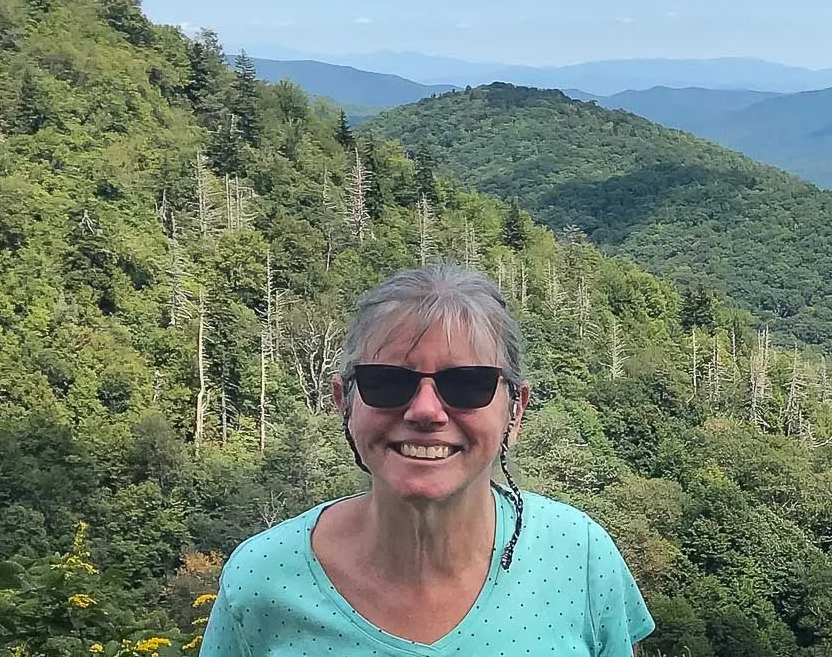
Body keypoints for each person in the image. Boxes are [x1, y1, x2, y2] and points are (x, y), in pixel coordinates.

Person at [200, 263, 654, 655]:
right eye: (387, 381)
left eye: (467, 384)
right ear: (344, 403)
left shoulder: (580, 558)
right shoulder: (262, 580)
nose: (425, 411)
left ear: (515, 409)